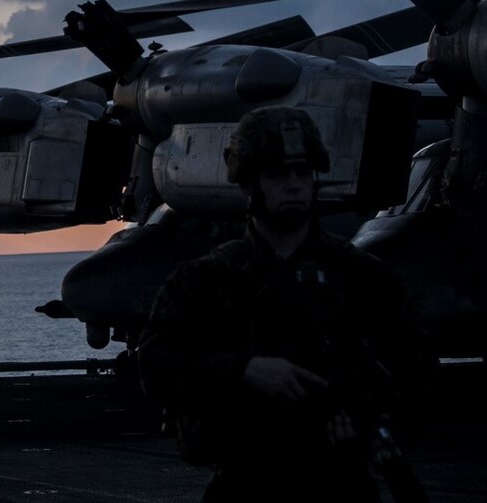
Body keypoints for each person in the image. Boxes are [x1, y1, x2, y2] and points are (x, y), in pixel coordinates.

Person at [138, 106, 432, 502]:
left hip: (341, 481)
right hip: (243, 480)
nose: (293, 185)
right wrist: (244, 370)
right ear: (248, 185)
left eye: (302, 173)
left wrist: (363, 418)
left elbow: (416, 371)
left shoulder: (363, 277)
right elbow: (156, 365)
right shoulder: (205, 280)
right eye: (277, 174)